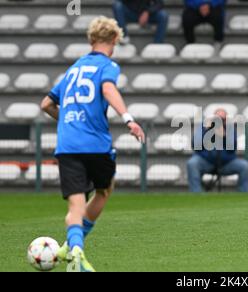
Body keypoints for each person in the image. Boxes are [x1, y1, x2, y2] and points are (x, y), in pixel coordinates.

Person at [40, 16, 145, 271]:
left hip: (67, 145)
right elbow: (108, 90)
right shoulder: (107, 66)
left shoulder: (73, 69)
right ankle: (76, 253)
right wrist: (129, 119)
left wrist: (67, 120)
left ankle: (70, 248)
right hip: (95, 143)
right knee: (104, 190)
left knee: (75, 205)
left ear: (91, 39)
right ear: (114, 40)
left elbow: (46, 104)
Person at [187, 109, 248, 193]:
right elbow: (195, 145)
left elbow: (232, 149)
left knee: (244, 166)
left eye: (222, 119)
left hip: (226, 163)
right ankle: (196, 195)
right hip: (206, 162)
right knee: (192, 163)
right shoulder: (204, 127)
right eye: (217, 119)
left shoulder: (230, 128)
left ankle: (243, 195)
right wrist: (206, 131)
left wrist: (224, 137)